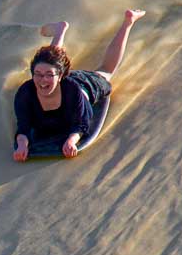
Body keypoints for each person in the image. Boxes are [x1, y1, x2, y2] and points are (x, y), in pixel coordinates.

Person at [13, 9, 146, 160]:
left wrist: (71, 141)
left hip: (86, 85)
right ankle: (60, 30)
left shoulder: (73, 92)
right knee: (50, 60)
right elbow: (23, 126)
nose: (42, 80)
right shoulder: (25, 92)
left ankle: (128, 23)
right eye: (37, 74)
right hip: (59, 76)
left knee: (106, 71)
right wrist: (22, 145)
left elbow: (82, 124)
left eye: (49, 76)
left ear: (61, 76)